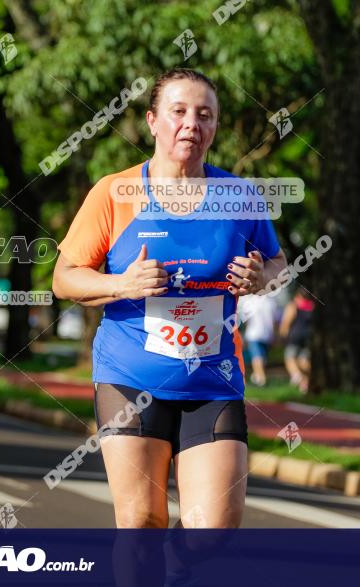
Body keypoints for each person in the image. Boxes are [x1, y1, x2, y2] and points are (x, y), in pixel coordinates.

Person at [52, 68, 288, 531]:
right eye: (178, 112)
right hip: (128, 374)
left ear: (215, 127)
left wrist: (263, 276)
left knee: (213, 528)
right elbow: (64, 279)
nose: (191, 126)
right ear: (152, 121)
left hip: (212, 380)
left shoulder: (240, 196)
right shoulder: (114, 193)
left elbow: (279, 262)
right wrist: (122, 284)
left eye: (205, 115)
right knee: (142, 521)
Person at [238, 294, 280, 387]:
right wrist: (276, 335)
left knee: (258, 357)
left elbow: (245, 320)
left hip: (254, 333)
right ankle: (260, 378)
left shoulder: (250, 302)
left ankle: (259, 377)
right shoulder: (271, 302)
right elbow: (276, 321)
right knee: (260, 357)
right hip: (267, 335)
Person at [280, 290, 313, 393]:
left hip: (294, 336)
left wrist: (283, 334)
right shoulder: (311, 306)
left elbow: (286, 321)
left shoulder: (293, 305)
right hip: (307, 336)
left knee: (289, 357)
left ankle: (296, 375)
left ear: (297, 295)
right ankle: (305, 385)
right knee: (304, 360)